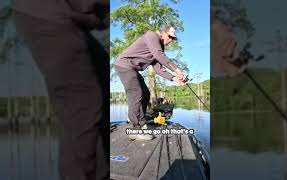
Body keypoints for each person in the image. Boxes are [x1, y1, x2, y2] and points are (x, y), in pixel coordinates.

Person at [12, 1, 109, 180]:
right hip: (47, 15)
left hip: (56, 15)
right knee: (84, 105)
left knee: (102, 76)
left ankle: (100, 171)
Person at [114, 26, 186, 140]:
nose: (171, 40)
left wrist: (174, 78)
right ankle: (135, 129)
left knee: (146, 93)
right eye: (170, 37)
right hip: (125, 65)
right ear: (163, 33)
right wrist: (177, 70)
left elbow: (158, 68)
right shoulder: (151, 36)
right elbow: (159, 56)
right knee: (136, 93)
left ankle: (141, 124)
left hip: (132, 69)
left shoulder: (158, 47)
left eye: (173, 39)